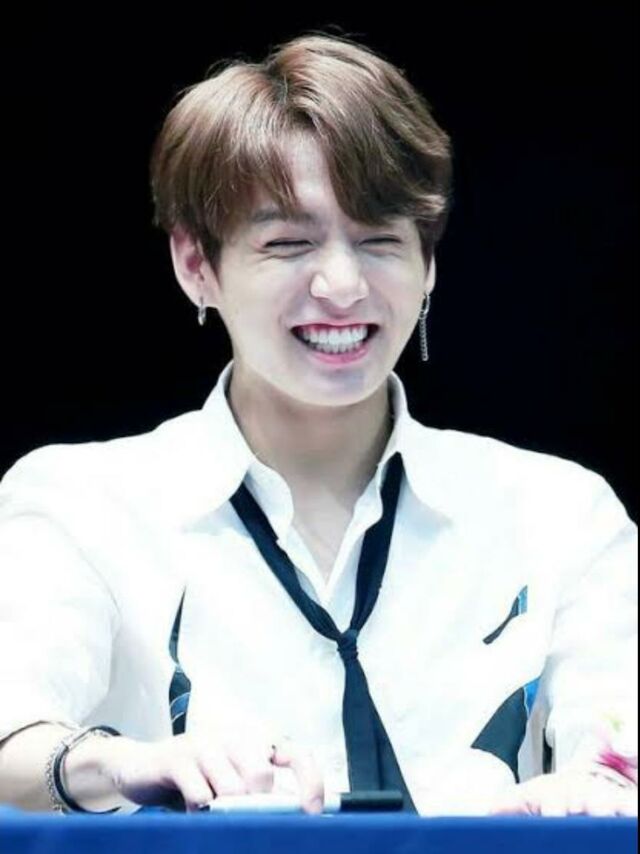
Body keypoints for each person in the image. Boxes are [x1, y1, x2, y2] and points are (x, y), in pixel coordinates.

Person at [0, 33, 636, 818]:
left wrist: (589, 796)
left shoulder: (561, 514)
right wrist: (120, 762)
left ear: (430, 265)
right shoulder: (79, 502)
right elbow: (10, 734)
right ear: (196, 264)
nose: (341, 285)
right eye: (289, 243)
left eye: (380, 240)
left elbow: (620, 736)